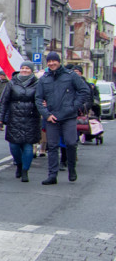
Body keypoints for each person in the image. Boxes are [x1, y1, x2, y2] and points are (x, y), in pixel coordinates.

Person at [35, 52, 91, 184]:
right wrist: (46, 115)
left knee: (71, 143)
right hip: (51, 117)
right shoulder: (44, 79)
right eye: (49, 61)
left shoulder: (70, 76)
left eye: (54, 61)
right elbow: (38, 99)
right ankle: (52, 175)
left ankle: (72, 169)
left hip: (69, 116)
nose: (51, 63)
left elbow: (84, 91)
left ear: (59, 62)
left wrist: (74, 106)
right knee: (53, 146)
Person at [0, 62, 40, 183]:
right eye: (22, 68)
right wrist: (0, 117)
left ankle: (25, 170)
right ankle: (19, 164)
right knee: (14, 145)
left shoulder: (37, 84)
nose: (24, 70)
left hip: (31, 118)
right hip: (14, 118)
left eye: (27, 68)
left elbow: (41, 99)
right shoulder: (12, 83)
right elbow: (4, 101)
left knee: (28, 146)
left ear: (31, 70)